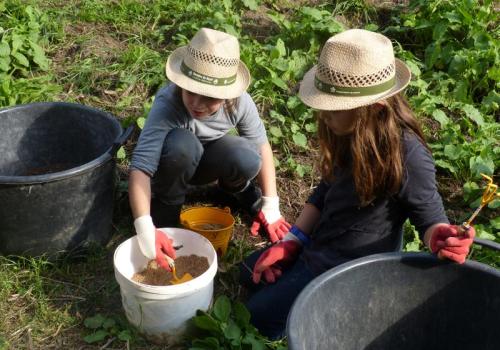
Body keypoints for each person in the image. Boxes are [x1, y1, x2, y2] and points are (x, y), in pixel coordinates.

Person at [239, 29, 476, 339]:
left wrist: (443, 238)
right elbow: (323, 192)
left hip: (348, 273)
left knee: (255, 319)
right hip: (318, 247)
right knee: (246, 272)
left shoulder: (408, 156)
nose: (323, 116)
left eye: (332, 108)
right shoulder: (348, 132)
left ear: (373, 108)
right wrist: (292, 241)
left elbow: (431, 221)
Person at [129, 28, 290, 271]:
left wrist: (271, 205)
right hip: (173, 163)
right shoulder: (169, 102)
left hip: (208, 161)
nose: (197, 103)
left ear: (227, 96)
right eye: (191, 92)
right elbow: (141, 167)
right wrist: (144, 226)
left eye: (209, 98)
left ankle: (234, 190)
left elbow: (262, 147)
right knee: (183, 144)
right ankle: (168, 204)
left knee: (246, 155)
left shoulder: (240, 103)